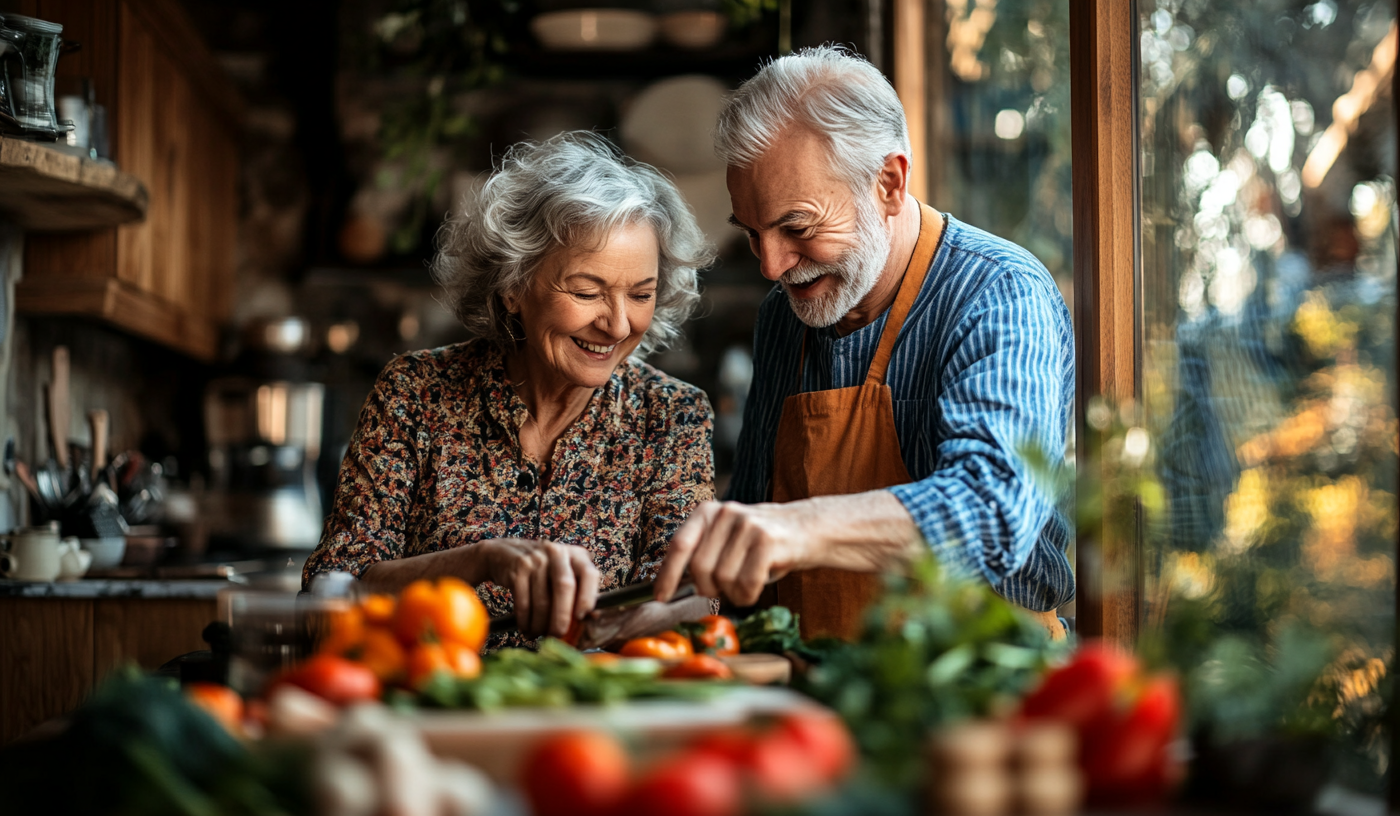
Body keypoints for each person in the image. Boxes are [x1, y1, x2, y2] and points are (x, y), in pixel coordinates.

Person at [653, 46, 1075, 640]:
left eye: (797, 227)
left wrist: (800, 528)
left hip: (982, 693)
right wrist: (669, 607)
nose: (772, 267)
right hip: (815, 692)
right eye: (753, 233)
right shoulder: (785, 314)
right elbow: (753, 524)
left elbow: (994, 513)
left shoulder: (998, 293)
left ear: (888, 184)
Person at [304, 132, 718, 647]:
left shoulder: (672, 413)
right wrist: (481, 560)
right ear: (513, 286)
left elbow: (695, 596)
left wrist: (596, 627)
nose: (616, 325)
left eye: (641, 294)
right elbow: (332, 590)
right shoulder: (414, 394)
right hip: (435, 697)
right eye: (587, 292)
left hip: (595, 707)